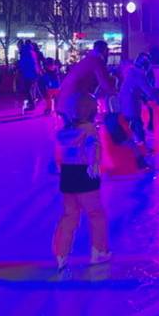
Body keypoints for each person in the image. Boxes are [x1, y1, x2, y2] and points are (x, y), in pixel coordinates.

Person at [52, 112, 110, 270]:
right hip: (85, 174)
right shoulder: (89, 129)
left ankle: (61, 254)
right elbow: (93, 152)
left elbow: (56, 160)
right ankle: (99, 251)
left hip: (67, 176)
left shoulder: (62, 134)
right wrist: (95, 164)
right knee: (95, 213)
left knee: (69, 215)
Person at [57, 41, 116, 125]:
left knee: (73, 130)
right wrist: (115, 91)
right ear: (104, 51)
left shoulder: (87, 60)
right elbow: (104, 83)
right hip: (75, 101)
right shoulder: (97, 61)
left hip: (65, 99)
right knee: (82, 129)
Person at [119, 53, 159, 145]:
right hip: (130, 101)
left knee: (129, 122)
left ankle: (130, 144)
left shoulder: (132, 72)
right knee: (137, 122)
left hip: (126, 99)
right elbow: (148, 90)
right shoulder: (139, 74)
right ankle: (141, 145)